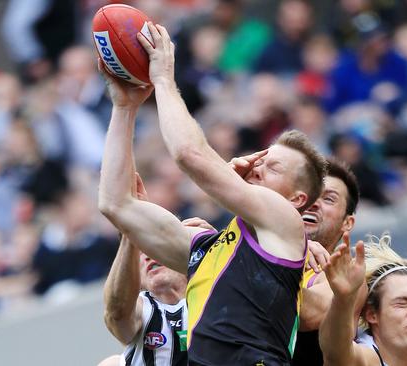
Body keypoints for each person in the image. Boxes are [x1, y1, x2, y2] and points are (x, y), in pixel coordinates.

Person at [98, 22, 327, 365]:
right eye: (262, 158)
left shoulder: (285, 224)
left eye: (275, 168)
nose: (259, 166)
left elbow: (190, 155)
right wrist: (124, 107)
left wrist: (163, 80)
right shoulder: (210, 250)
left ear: (296, 201)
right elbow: (117, 204)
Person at [98, 174, 197, 366]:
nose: (149, 255)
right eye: (140, 251)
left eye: (155, 246)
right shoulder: (143, 311)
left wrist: (212, 247)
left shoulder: (213, 291)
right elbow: (117, 310)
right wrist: (131, 226)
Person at [319, 234, 407, 366]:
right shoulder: (363, 359)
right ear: (372, 314)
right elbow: (335, 353)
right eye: (402, 304)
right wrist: (343, 298)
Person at [292, 157, 360, 366]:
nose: (314, 203)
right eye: (309, 193)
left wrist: (293, 252)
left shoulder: (349, 276)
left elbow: (310, 316)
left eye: (329, 199)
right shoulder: (251, 248)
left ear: (347, 223)